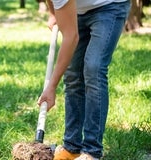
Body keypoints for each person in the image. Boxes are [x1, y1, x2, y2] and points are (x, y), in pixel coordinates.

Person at [37, 0, 130, 159]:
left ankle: (92, 151)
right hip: (77, 11)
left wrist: (51, 87)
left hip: (109, 6)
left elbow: (71, 37)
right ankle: (71, 147)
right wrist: (54, 14)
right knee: (73, 74)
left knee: (94, 68)